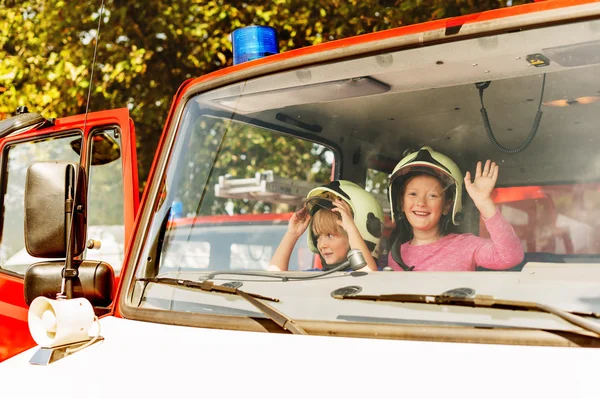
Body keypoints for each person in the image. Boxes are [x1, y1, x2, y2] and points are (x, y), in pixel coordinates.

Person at [387, 146, 524, 271]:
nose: (421, 202)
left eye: (432, 195)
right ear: (401, 203)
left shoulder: (466, 246)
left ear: (447, 206)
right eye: (413, 194)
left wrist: (483, 202)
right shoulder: (396, 255)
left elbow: (511, 257)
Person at [269, 180, 384, 272]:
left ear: (357, 232)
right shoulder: (316, 275)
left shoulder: (375, 274)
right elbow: (274, 277)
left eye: (330, 235)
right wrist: (292, 234)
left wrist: (351, 228)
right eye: (318, 237)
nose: (322, 245)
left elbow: (368, 278)